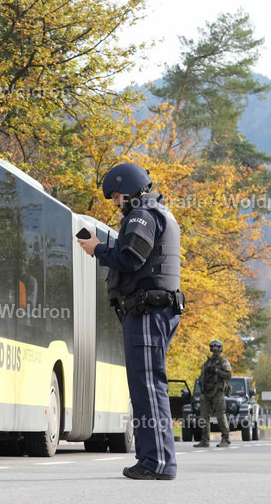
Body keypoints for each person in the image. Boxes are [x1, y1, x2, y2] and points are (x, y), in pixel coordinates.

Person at [77, 163, 184, 480]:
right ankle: (152, 458)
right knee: (145, 387)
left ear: (130, 188)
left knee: (149, 387)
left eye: (115, 196)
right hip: (152, 310)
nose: (114, 202)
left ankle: (158, 462)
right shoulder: (157, 211)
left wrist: (98, 249)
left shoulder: (142, 214)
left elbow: (131, 258)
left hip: (148, 311)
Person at [196, 339, 232, 448]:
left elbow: (228, 375)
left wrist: (217, 371)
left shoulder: (223, 361)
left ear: (220, 349)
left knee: (221, 415)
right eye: (213, 347)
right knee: (203, 416)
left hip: (218, 391)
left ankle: (225, 438)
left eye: (217, 347)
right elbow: (202, 376)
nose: (215, 349)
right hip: (207, 391)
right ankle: (205, 440)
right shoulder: (207, 362)